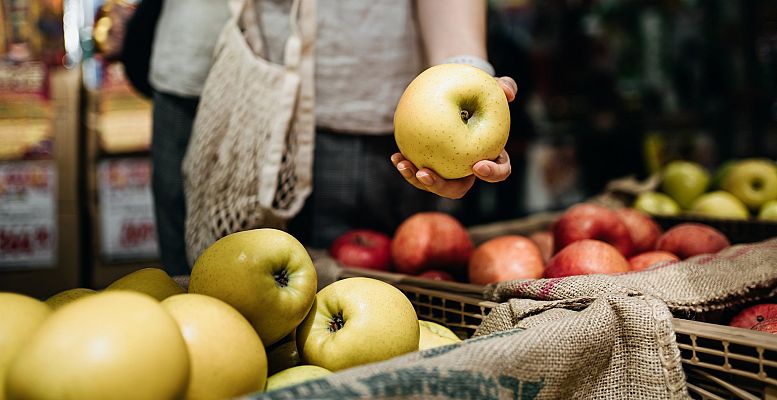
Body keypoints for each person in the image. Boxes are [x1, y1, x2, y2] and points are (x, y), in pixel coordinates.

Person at [146, 0, 517, 275]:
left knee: (360, 328)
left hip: (355, 102)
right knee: (202, 299)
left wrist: (467, 70)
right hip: (205, 87)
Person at [145, 0, 231, 276]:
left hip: (252, 76)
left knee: (239, 204)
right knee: (173, 197)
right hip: (181, 69)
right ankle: (180, 291)